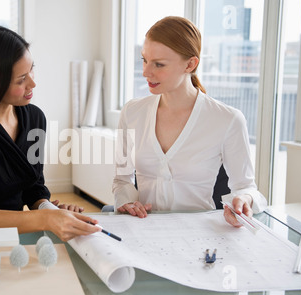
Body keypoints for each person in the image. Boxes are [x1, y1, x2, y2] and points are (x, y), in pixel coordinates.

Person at [0, 26, 99, 241]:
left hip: (17, 236)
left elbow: (33, 186)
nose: (33, 83)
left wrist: (49, 209)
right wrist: (45, 219)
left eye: (32, 70)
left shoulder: (35, 119)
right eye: (21, 79)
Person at [112, 16, 267, 228]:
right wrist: (127, 201)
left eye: (159, 64)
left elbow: (248, 188)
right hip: (143, 231)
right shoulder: (132, 112)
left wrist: (244, 200)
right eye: (144, 60)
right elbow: (122, 180)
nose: (145, 72)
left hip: (198, 237)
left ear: (190, 64)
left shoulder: (228, 120)